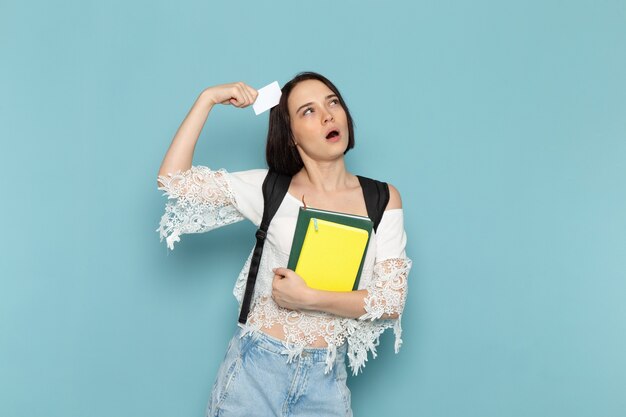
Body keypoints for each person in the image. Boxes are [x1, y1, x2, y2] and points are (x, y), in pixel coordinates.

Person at [156, 71, 412, 417]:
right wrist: (208, 98)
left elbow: (390, 300)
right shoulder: (269, 189)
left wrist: (310, 298)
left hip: (327, 379)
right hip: (256, 370)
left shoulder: (382, 199)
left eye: (332, 102)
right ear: (290, 135)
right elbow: (172, 180)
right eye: (308, 111)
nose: (328, 115)